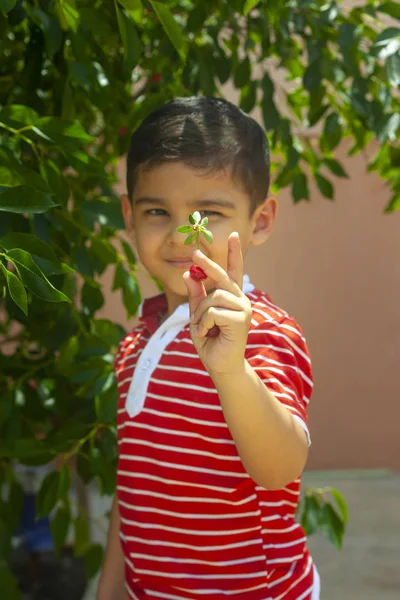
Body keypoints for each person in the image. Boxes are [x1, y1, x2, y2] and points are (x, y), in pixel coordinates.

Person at [97, 96, 320, 600]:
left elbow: (281, 468)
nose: (181, 236)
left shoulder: (264, 332)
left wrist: (231, 372)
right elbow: (135, 487)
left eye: (209, 214)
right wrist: (111, 588)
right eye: (158, 210)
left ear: (260, 221)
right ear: (130, 217)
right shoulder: (139, 339)